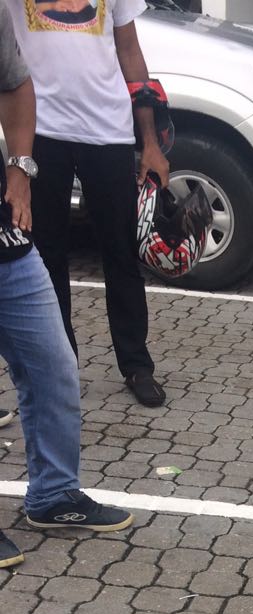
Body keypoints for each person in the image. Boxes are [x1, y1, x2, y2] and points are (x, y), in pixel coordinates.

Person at [0, 5, 131, 570]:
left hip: (4, 236)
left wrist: (19, 171)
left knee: (52, 364)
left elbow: (16, 85)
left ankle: (53, 495)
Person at [3, 0, 168, 407]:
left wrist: (149, 142)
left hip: (108, 129)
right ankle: (61, 368)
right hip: (41, 129)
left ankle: (136, 364)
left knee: (121, 252)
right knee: (46, 257)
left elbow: (129, 50)